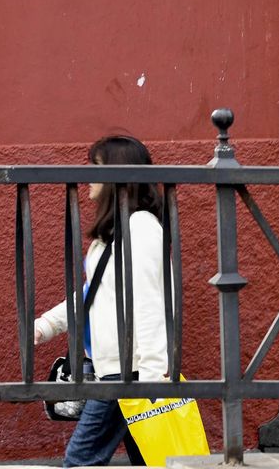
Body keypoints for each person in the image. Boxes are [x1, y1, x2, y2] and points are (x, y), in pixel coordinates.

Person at [34, 134, 168, 467]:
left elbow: (151, 304)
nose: (89, 176)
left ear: (119, 176)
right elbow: (93, 296)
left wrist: (152, 380)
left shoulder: (140, 230)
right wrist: (47, 326)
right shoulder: (114, 234)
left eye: (97, 167)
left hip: (128, 375)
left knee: (79, 461)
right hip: (116, 370)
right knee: (151, 462)